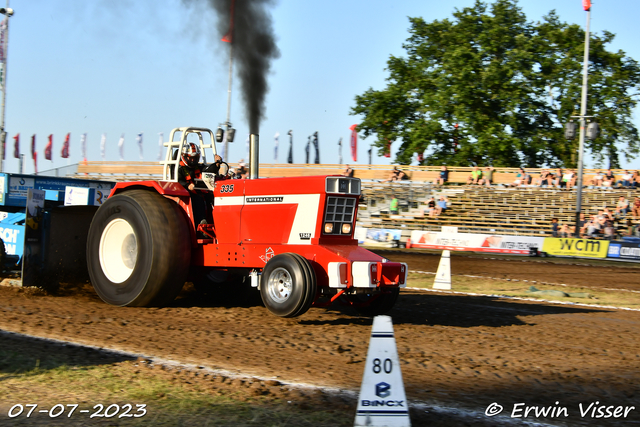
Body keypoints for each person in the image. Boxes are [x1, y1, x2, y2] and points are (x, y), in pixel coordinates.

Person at [178, 143, 223, 225]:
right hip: (186, 192)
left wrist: (216, 164)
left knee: (211, 196)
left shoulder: (198, 167)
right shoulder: (179, 168)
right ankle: (201, 222)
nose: (192, 160)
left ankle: (215, 220)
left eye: (195, 158)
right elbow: (178, 180)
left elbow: (207, 170)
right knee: (198, 199)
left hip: (199, 191)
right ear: (184, 156)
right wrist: (187, 186)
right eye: (190, 158)